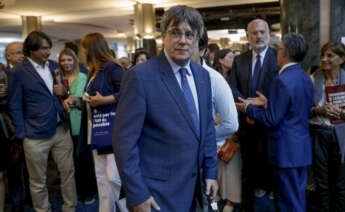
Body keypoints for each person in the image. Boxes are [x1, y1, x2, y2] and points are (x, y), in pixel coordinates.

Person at [112, 5, 218, 212]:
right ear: (163, 37)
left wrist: (211, 171)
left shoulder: (202, 75)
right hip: (155, 193)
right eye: (175, 32)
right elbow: (124, 141)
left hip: (194, 188)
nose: (182, 40)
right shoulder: (140, 76)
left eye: (189, 34)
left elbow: (207, 128)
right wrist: (138, 194)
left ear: (197, 40)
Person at [237, 33, 313, 212]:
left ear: (285, 53)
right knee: (297, 197)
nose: (276, 53)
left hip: (285, 150)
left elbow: (271, 119)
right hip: (301, 147)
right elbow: (295, 108)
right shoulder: (305, 76)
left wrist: (248, 108)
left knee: (288, 202)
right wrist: (269, 103)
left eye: (278, 49)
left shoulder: (281, 80)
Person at [8, 31, 77, 212]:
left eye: (49, 48)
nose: (48, 52)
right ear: (32, 50)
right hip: (34, 135)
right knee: (38, 181)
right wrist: (22, 134)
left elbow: (62, 95)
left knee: (68, 174)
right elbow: (15, 105)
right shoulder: (18, 72)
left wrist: (65, 92)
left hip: (61, 129)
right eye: (44, 49)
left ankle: (70, 208)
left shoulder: (54, 66)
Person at [68, 32, 126, 212]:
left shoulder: (112, 68)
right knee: (101, 178)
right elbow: (91, 99)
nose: (81, 53)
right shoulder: (94, 71)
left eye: (83, 48)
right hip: (95, 129)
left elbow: (129, 93)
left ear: (90, 49)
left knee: (114, 178)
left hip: (110, 129)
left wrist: (105, 100)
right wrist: (78, 101)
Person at [230, 19, 279, 212]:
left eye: (261, 32)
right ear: (247, 37)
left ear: (268, 34)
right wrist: (246, 106)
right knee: (248, 171)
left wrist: (256, 108)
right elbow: (232, 88)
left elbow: (280, 92)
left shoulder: (278, 58)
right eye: (254, 33)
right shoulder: (239, 60)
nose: (258, 36)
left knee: (270, 168)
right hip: (246, 124)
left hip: (269, 124)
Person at [191, 29, 240, 212]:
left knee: (207, 203)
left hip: (206, 154)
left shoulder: (214, 79)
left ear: (202, 50)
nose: (184, 45)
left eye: (191, 41)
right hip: (181, 157)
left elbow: (231, 124)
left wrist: (201, 136)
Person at [58, 48, 98, 205]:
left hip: (80, 124)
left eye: (69, 60)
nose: (66, 63)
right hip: (63, 125)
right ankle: (73, 193)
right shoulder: (58, 78)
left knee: (83, 160)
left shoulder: (83, 77)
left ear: (74, 60)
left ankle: (87, 192)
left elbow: (86, 101)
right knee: (68, 163)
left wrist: (72, 99)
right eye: (63, 60)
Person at [309, 41, 345, 212]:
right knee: (321, 183)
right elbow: (301, 110)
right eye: (323, 55)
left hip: (341, 135)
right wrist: (319, 110)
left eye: (330, 55)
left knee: (340, 184)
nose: (324, 59)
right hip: (318, 133)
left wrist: (341, 114)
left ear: (342, 59)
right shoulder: (314, 77)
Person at [4, 41, 32, 211]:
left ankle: (31, 198)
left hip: (29, 125)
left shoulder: (29, 72)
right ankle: (16, 203)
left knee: (31, 167)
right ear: (8, 56)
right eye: (17, 53)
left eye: (23, 53)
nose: (22, 56)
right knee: (13, 169)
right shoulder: (3, 74)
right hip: (9, 130)